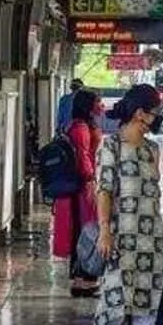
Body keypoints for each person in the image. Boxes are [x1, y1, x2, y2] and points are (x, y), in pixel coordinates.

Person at [90, 84, 163, 325]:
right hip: (121, 237)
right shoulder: (110, 147)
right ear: (140, 114)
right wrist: (105, 231)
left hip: (152, 238)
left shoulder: (152, 149)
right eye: (154, 112)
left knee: (148, 301)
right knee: (116, 299)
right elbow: (104, 191)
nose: (156, 118)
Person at [59, 90, 104, 297]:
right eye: (98, 101)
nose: (101, 105)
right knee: (86, 231)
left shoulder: (80, 125)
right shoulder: (81, 129)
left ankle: (84, 278)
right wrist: (91, 182)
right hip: (83, 187)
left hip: (83, 185)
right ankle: (82, 279)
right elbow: (84, 157)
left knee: (84, 230)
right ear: (88, 105)